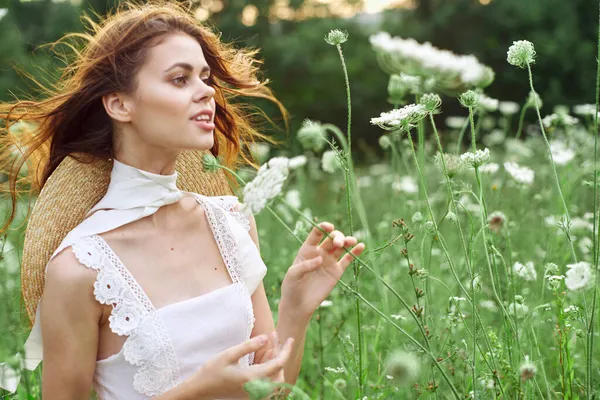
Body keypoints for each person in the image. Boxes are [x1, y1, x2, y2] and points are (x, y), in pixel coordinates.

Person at [0, 1, 365, 399]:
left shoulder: (230, 222)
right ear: (119, 104)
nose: (207, 91)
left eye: (206, 78)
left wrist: (295, 311)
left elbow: (272, 392)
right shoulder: (80, 268)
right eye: (180, 79)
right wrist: (196, 390)